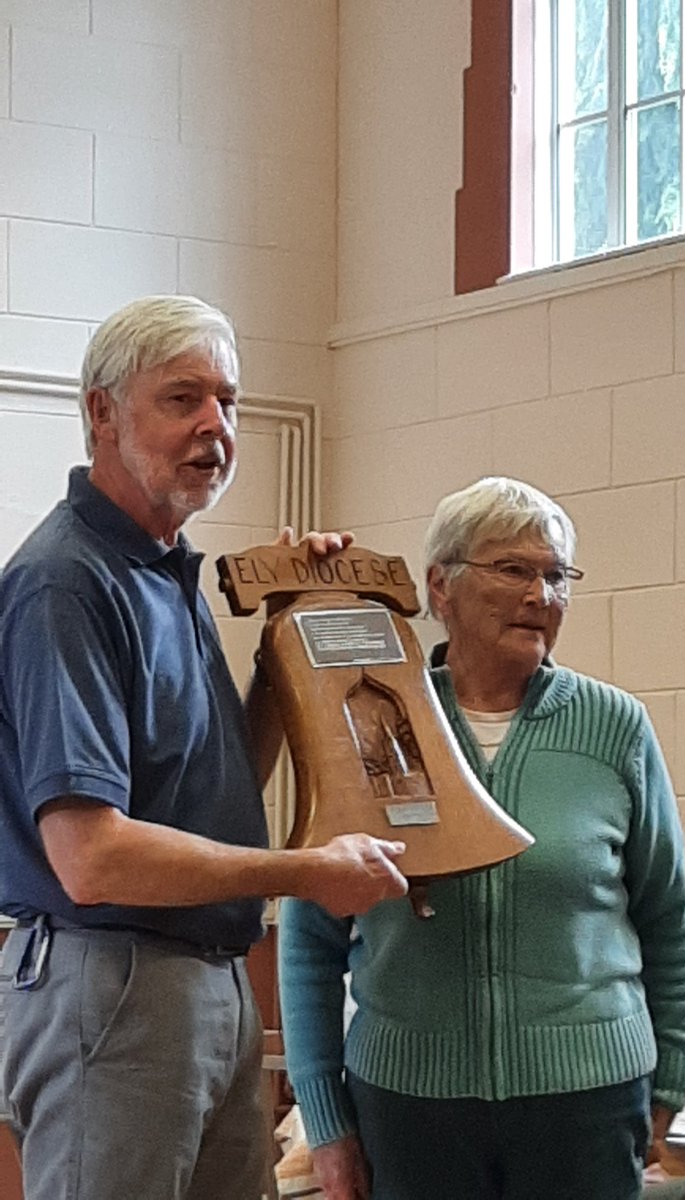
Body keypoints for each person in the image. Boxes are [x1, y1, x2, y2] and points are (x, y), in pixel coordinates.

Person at [0, 294, 408, 1200]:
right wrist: (302, 871)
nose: (216, 426)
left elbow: (221, 789)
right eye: (183, 399)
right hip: (112, 978)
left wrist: (287, 635)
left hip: (206, 982)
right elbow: (92, 856)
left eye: (228, 400)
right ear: (102, 414)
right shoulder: (67, 584)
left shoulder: (165, 570)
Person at [278, 476, 685, 1200]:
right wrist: (325, 1121)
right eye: (513, 570)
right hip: (411, 1105)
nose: (541, 595)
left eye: (556, 574)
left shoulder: (615, 727)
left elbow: (666, 916)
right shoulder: (375, 720)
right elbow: (309, 937)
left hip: (589, 1098)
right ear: (441, 587)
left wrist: (671, 1077)